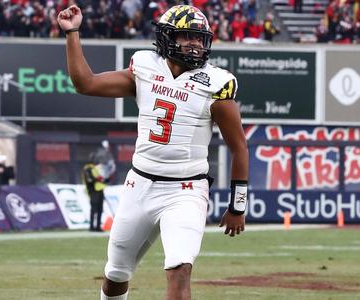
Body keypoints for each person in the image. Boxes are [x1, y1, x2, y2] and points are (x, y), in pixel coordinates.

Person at [58, 4, 249, 300]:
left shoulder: (217, 84)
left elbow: (239, 147)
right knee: (116, 274)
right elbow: (86, 83)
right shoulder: (146, 66)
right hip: (141, 185)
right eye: (186, 36)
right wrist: (72, 33)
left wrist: (238, 205)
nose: (195, 44)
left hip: (186, 189)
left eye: (199, 38)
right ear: (166, 38)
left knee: (179, 268)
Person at [82, 155, 106, 232]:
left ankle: (98, 226)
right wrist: (98, 179)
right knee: (94, 209)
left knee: (99, 209)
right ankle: (92, 226)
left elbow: (102, 178)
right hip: (93, 191)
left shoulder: (96, 168)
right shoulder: (87, 168)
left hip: (100, 190)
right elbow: (89, 180)